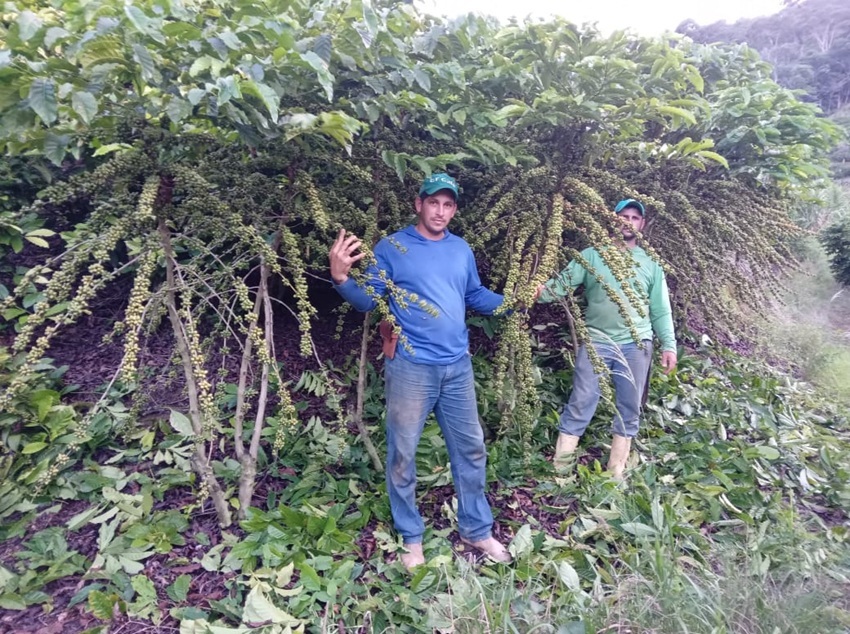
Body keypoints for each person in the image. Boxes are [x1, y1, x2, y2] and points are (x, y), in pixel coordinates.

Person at [329, 173, 512, 569]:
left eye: (448, 205)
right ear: (419, 204)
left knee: (471, 449)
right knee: (403, 453)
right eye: (434, 203)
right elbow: (366, 301)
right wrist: (342, 276)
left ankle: (476, 529)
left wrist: (513, 302)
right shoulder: (393, 247)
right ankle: (411, 538)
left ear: (454, 209)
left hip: (457, 367)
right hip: (412, 368)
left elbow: (474, 295)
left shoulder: (461, 249)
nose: (441, 211)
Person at [536, 198, 677, 478]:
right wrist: (538, 290)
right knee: (582, 400)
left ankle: (616, 472)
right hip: (597, 342)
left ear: (642, 224)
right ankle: (560, 469)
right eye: (623, 216)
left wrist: (669, 344)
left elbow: (660, 309)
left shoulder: (651, 264)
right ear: (612, 220)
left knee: (629, 406)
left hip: (637, 345)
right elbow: (560, 287)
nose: (628, 222)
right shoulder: (591, 256)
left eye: (635, 218)